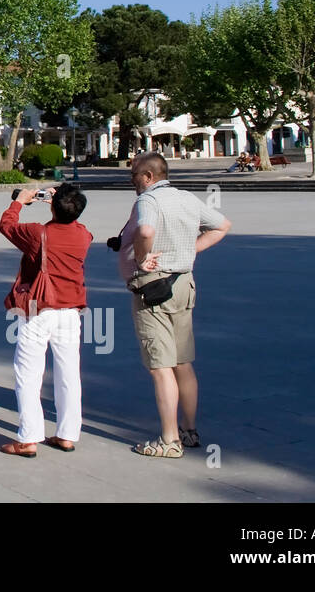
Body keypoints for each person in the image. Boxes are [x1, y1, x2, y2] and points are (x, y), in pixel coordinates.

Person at [121, 153, 231, 458]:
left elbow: (145, 231)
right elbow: (222, 226)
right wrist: (190, 249)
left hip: (154, 285)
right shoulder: (186, 198)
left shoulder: (149, 201)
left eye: (134, 176)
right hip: (184, 282)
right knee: (183, 361)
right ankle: (189, 429)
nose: (133, 182)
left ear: (147, 176)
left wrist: (143, 257)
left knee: (160, 366)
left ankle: (169, 440)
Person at [0, 184, 93, 457]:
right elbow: (73, 220)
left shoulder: (38, 233)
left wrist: (20, 201)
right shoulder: (83, 235)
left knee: (28, 373)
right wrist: (62, 200)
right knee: (69, 374)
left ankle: (29, 438)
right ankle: (67, 434)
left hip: (39, 309)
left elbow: (7, 226)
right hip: (71, 311)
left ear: (52, 206)